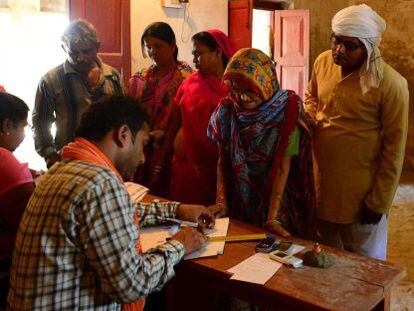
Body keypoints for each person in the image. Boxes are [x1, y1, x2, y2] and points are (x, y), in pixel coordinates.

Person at [8, 95, 215, 310]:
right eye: (143, 145)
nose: (143, 158)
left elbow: (114, 214)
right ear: (123, 134)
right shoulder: (101, 183)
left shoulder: (64, 169)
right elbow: (131, 285)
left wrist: (177, 210)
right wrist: (180, 244)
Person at [304, 4, 409, 260]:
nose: (338, 50)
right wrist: (308, 116)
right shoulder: (322, 62)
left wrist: (379, 202)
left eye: (350, 46)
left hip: (362, 192)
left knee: (365, 262)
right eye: (336, 41)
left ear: (369, 47)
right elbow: (311, 96)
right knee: (326, 257)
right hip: (322, 183)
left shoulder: (391, 84)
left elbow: (395, 148)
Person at [208, 48, 316, 238]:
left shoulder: (287, 111)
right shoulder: (227, 111)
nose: (243, 98)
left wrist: (272, 217)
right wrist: (222, 201)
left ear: (267, 84)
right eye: (236, 90)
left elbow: (283, 168)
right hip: (240, 196)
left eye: (251, 91)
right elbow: (222, 161)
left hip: (278, 197)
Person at [33, 19, 123, 168]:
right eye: (73, 53)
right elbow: (41, 122)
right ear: (63, 48)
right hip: (68, 160)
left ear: (97, 47)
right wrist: (50, 155)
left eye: (87, 51)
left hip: (107, 159)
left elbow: (122, 116)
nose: (80, 58)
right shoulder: (50, 80)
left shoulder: (112, 76)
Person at [169, 29, 236, 206]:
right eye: (193, 54)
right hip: (188, 166)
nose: (194, 60)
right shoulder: (190, 83)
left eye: (199, 54)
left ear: (218, 52)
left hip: (218, 164)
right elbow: (174, 120)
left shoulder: (235, 86)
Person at [129, 22, 193, 196]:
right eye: (149, 47)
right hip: (143, 149)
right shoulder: (140, 79)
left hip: (172, 151)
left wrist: (167, 133)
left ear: (173, 46)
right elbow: (131, 115)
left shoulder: (187, 79)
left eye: (158, 46)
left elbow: (192, 120)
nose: (152, 52)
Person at [0, 93, 35, 306]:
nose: (24, 134)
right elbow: (29, 218)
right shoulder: (4, 159)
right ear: (6, 125)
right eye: (24, 126)